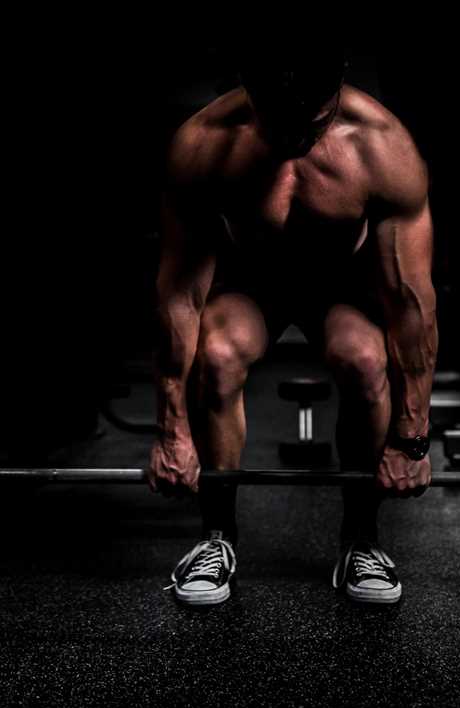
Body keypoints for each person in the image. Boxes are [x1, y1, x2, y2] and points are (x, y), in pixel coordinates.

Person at [148, 46, 436, 605]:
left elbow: (409, 306)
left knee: (366, 359)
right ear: (248, 85)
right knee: (217, 353)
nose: (297, 137)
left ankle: (360, 541)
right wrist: (170, 430)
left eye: (314, 121)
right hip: (252, 282)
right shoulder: (204, 144)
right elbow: (179, 294)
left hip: (343, 285)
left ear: (338, 84)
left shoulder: (382, 147)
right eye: (280, 121)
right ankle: (216, 538)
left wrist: (412, 437)